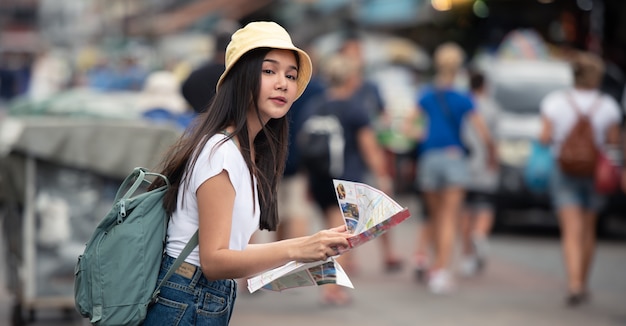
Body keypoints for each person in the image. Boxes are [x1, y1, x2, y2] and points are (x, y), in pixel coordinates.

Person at [143, 21, 351, 325]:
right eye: (269, 71)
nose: (282, 83)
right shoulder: (221, 151)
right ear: (241, 78)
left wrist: (314, 247)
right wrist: (299, 247)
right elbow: (214, 260)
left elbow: (234, 247)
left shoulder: (248, 150)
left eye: (290, 75)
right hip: (185, 299)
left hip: (201, 297)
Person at [300, 53, 394, 306]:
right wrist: (383, 176)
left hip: (320, 179)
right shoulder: (355, 108)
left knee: (330, 232)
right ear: (351, 79)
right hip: (346, 181)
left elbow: (305, 143)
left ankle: (332, 284)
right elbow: (369, 148)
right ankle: (331, 289)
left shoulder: (315, 104)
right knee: (340, 237)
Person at [403, 42, 496, 294]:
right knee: (449, 219)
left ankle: (430, 260)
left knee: (434, 217)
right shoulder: (463, 98)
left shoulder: (426, 94)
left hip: (429, 159)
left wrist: (423, 135)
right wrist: (492, 155)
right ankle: (440, 271)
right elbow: (483, 133)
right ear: (459, 68)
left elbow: (407, 126)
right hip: (455, 159)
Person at [539, 51, 621, 307]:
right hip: (596, 171)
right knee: (589, 229)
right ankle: (583, 282)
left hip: (563, 169)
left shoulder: (555, 102)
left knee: (571, 230)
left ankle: (573, 282)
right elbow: (614, 143)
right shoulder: (608, 105)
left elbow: (544, 137)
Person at [339, 30, 404, 272]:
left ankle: (389, 253)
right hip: (347, 155)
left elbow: (383, 116)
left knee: (380, 203)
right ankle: (350, 256)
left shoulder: (371, 87)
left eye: (359, 55)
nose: (357, 60)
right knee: (350, 210)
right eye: (351, 55)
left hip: (372, 150)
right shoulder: (338, 86)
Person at [459, 70, 500, 277]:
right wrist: (495, 158)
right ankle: (480, 234)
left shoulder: (462, 104)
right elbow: (495, 138)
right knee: (484, 206)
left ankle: (467, 256)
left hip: (464, 164)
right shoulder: (492, 108)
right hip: (485, 164)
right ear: (485, 85)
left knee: (466, 209)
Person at [180, 31, 231, 114]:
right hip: (226, 120)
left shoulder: (196, 75)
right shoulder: (235, 74)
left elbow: (185, 90)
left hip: (199, 120)